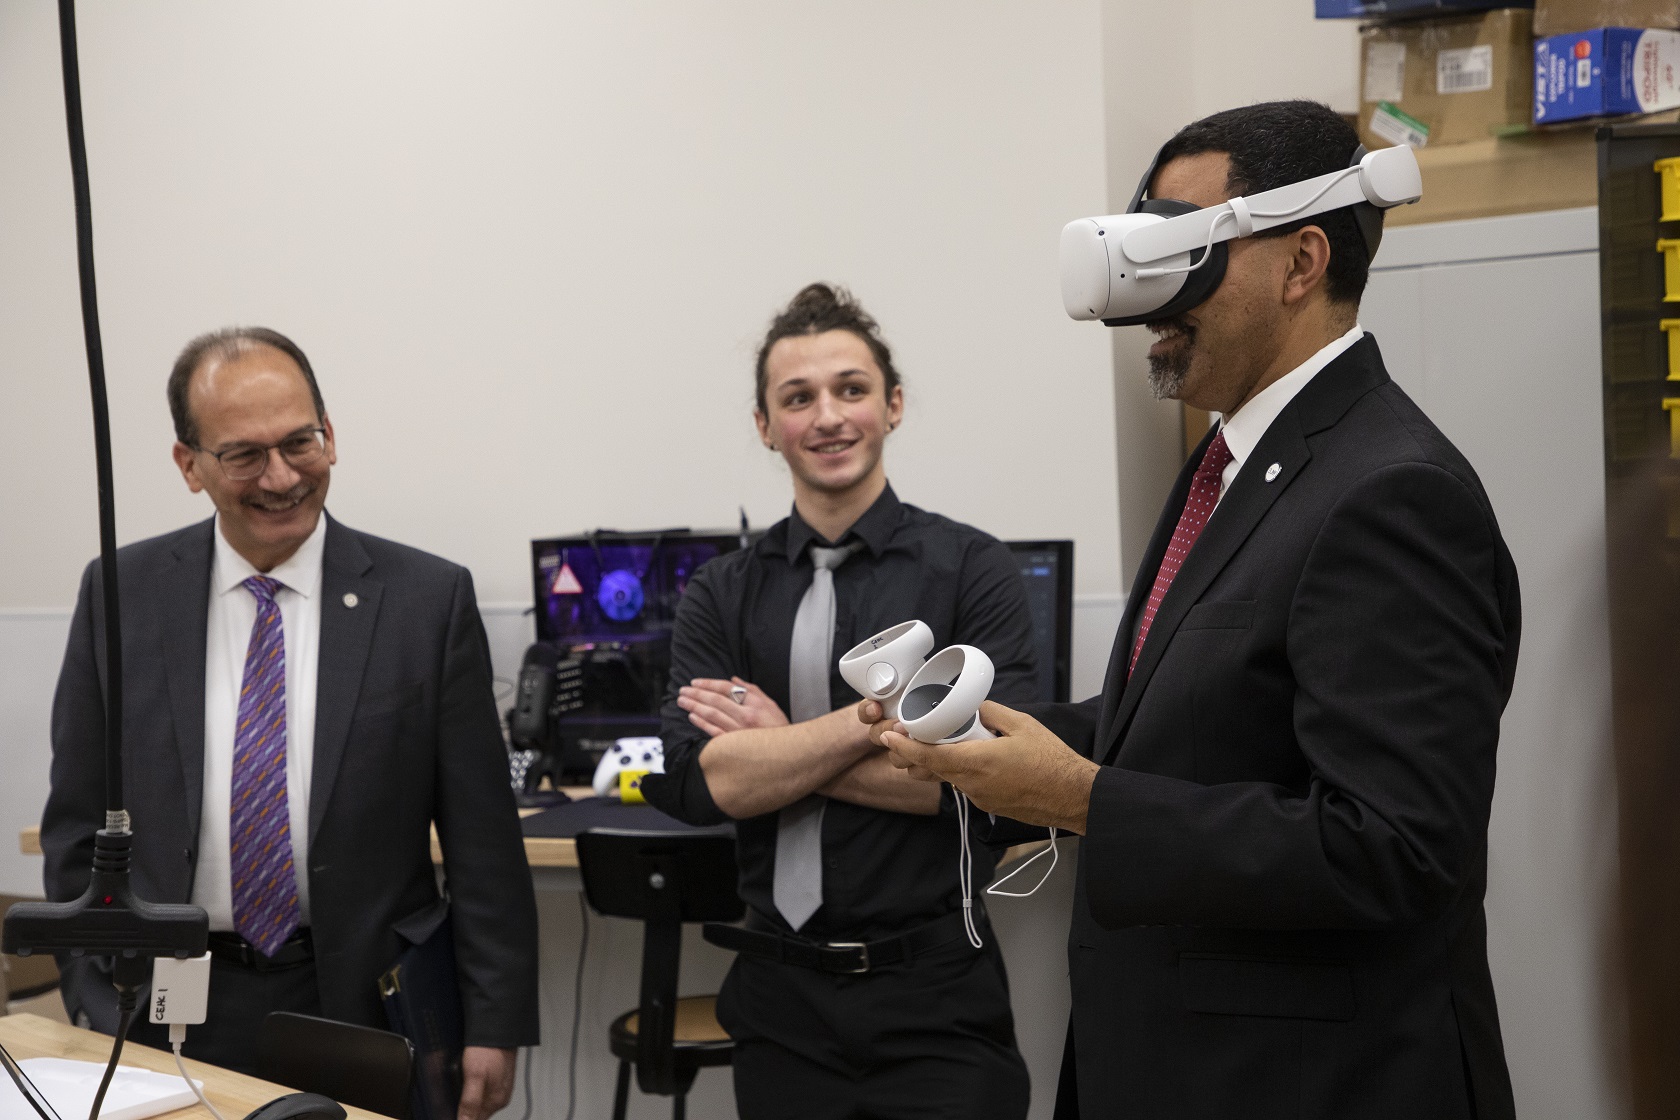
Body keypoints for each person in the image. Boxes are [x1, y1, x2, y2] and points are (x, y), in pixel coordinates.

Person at [877, 101, 1523, 1120]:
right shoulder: (1231, 461)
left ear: (1302, 262)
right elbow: (1200, 721)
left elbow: (1393, 849)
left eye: (1185, 253)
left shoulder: (1392, 490)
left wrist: (1087, 797)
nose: (1152, 301)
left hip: (1315, 1085)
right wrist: (1005, 749)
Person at [40, 327, 539, 1119]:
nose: (281, 477)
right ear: (188, 465)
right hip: (168, 1009)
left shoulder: (425, 601)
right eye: (243, 455)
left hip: (366, 1007)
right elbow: (73, 833)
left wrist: (496, 1024)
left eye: (300, 442)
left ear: (330, 435)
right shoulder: (122, 595)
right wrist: (95, 997)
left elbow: (485, 846)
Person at [640, 283, 1037, 1120]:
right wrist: (875, 737)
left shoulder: (973, 571)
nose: (828, 416)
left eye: (851, 390)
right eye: (798, 398)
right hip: (778, 1003)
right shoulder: (720, 592)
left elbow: (998, 784)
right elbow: (702, 782)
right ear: (764, 425)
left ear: (892, 406)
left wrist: (784, 744)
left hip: (935, 1000)